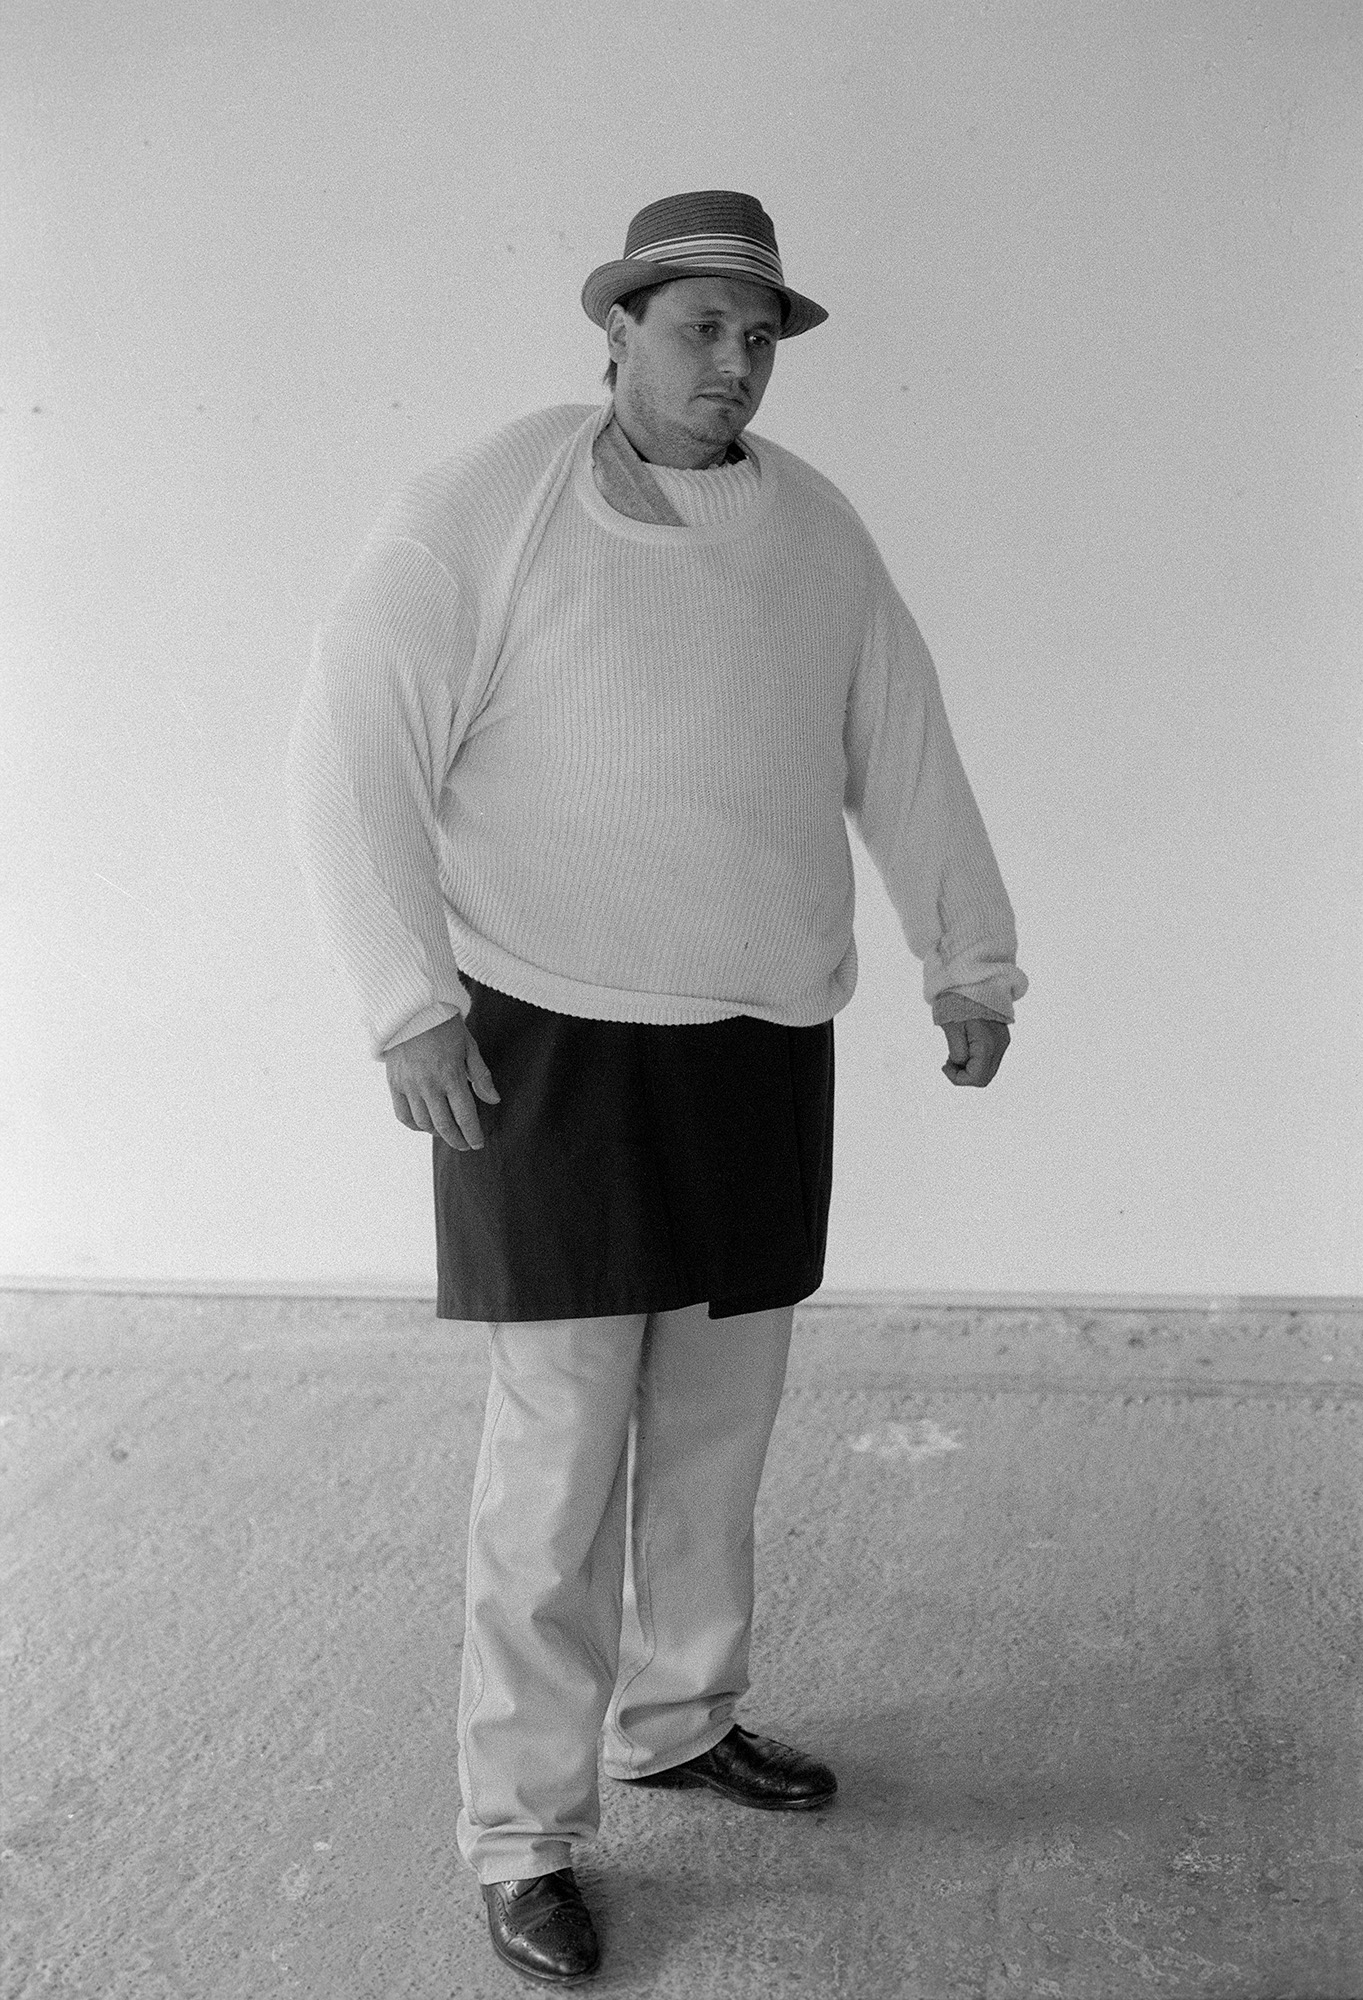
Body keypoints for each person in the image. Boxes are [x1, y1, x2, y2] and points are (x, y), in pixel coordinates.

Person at [286, 188, 1026, 1986]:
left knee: (715, 1428)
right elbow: (348, 744)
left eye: (760, 337)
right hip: (545, 1036)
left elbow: (904, 741)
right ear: (615, 329)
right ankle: (520, 1834)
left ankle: (681, 1719)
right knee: (557, 1455)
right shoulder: (486, 509)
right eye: (699, 328)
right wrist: (407, 1004)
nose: (735, 365)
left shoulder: (815, 533)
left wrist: (969, 953)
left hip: (759, 1036)